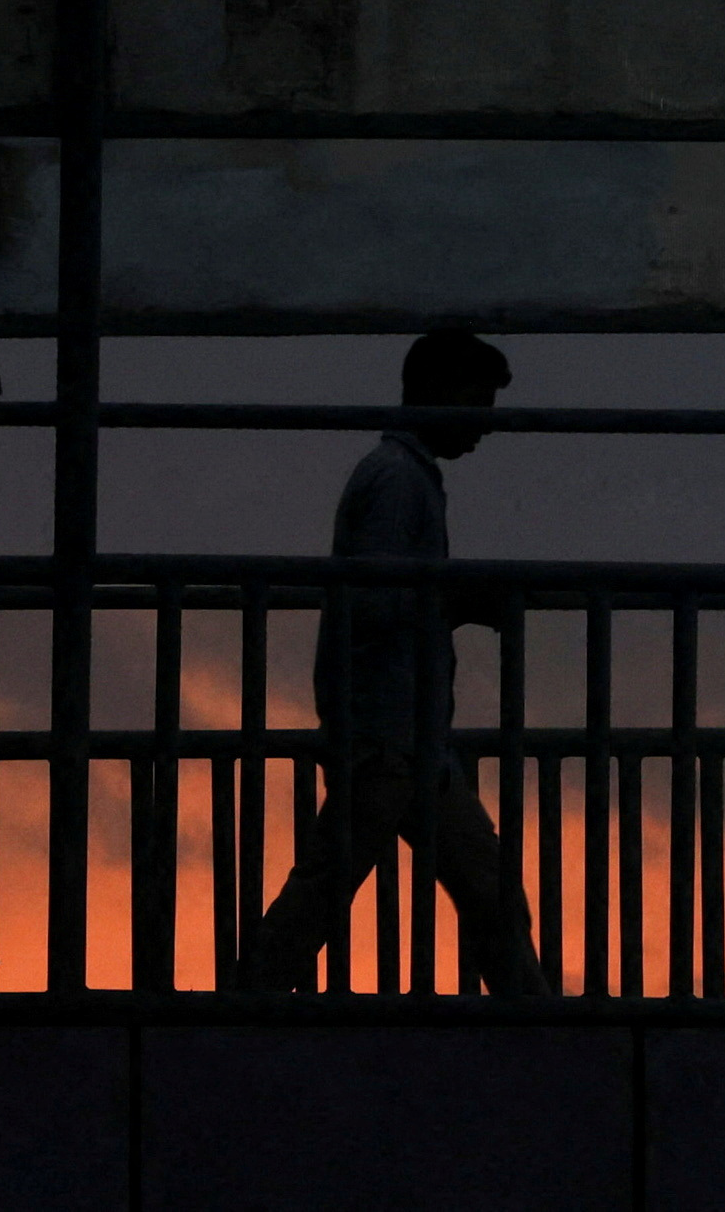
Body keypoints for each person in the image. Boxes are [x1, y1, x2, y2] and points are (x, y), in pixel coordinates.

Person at [237, 324, 546, 996]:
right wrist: (454, 601)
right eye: (477, 402)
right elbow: (376, 603)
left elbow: (379, 599)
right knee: (341, 886)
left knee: (474, 889)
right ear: (436, 391)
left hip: (404, 740)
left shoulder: (398, 476)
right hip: (389, 738)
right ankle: (543, 1030)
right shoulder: (398, 480)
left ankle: (539, 1021)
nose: (484, 424)